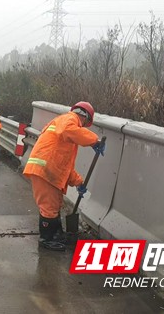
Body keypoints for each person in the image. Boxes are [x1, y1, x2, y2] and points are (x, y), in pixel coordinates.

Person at [23, 101, 105, 251]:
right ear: (85, 117)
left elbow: (66, 166)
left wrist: (79, 182)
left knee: (54, 205)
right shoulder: (70, 119)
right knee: (48, 207)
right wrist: (94, 140)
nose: (84, 127)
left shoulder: (65, 135)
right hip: (44, 170)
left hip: (48, 170)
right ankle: (46, 239)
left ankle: (56, 235)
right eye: (86, 123)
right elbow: (69, 130)